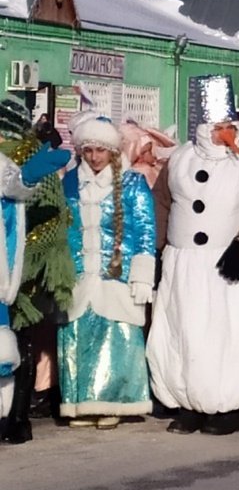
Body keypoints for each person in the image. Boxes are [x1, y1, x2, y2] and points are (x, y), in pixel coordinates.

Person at [147, 76, 239, 436]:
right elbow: (161, 203)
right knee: (184, 331)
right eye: (216, 127)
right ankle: (189, 404)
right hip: (184, 262)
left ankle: (229, 407)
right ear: (204, 127)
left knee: (228, 331)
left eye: (228, 126)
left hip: (229, 262)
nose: (223, 133)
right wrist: (158, 248)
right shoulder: (179, 159)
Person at [57, 113, 156, 429]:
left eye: (101, 150)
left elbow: (144, 229)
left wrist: (142, 273)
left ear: (112, 151)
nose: (95, 157)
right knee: (77, 337)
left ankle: (116, 402)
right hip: (78, 276)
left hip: (118, 276)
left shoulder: (132, 182)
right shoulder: (70, 181)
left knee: (115, 340)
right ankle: (81, 404)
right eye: (89, 151)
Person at [0, 98, 71, 444]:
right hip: (10, 263)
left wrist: (29, 260)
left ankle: (16, 416)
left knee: (19, 340)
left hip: (21, 268)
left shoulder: (29, 157)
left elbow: (52, 214)